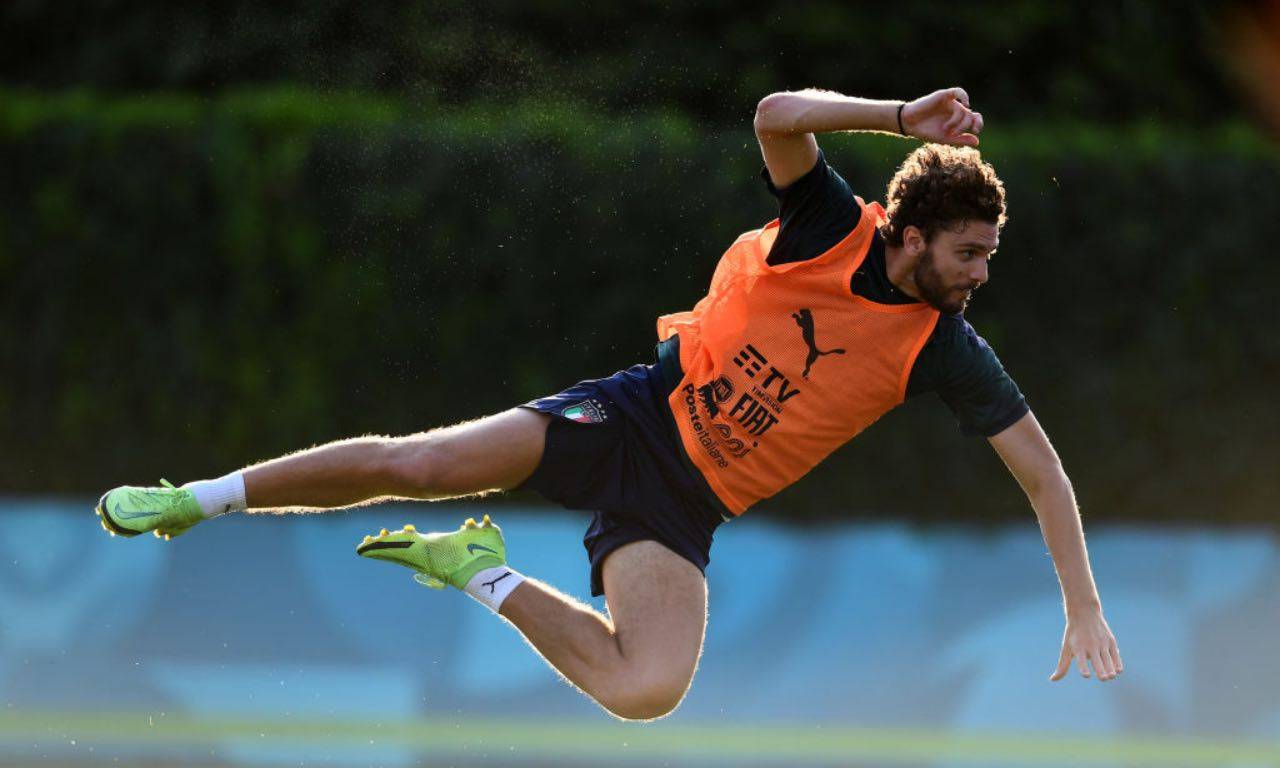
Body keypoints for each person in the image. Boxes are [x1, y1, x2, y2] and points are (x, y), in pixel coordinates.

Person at [96, 86, 1123, 721]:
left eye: (986, 256)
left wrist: (1079, 602)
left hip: (680, 508)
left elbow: (1042, 473)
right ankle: (197, 496)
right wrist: (896, 117)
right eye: (969, 253)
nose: (981, 273)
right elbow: (773, 115)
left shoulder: (945, 351)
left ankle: (474, 572)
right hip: (630, 416)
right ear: (909, 234)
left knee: (647, 690)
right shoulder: (829, 225)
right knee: (417, 464)